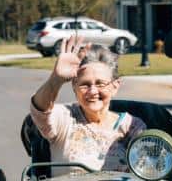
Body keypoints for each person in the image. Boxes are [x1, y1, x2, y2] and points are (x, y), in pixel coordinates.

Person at [30, 35, 146, 172]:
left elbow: (147, 169)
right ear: (74, 87)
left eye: (100, 84)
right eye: (84, 85)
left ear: (115, 86)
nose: (92, 91)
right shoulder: (65, 118)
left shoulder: (132, 127)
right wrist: (56, 79)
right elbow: (39, 110)